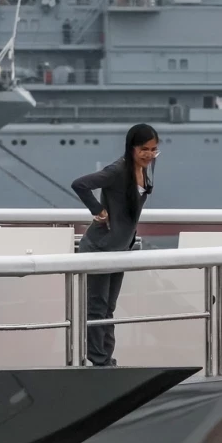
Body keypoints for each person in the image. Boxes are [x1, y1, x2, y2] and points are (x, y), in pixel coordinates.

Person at [71, 124, 159, 366]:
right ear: (131, 148)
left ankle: (106, 358)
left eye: (153, 150)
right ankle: (98, 361)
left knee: (108, 307)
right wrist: (98, 210)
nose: (149, 154)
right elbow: (80, 184)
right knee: (97, 308)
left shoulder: (144, 169)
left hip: (120, 248)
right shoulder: (117, 170)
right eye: (144, 149)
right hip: (100, 247)